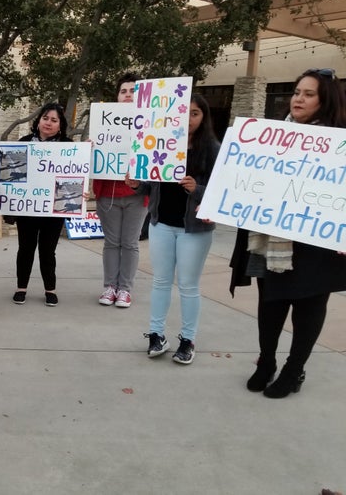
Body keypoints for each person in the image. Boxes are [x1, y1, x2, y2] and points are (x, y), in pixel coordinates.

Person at [229, 68, 346, 398]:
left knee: (308, 307)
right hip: (272, 238)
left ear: (325, 101)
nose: (298, 99)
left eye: (308, 94)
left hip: (317, 243)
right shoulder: (271, 136)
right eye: (296, 92)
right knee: (270, 303)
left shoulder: (341, 142)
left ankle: (294, 370)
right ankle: (265, 362)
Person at [125, 94, 219, 364]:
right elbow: (151, 184)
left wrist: (197, 189)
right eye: (184, 112)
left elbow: (224, 192)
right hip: (161, 224)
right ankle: (156, 334)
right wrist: (136, 185)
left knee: (188, 286)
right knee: (161, 282)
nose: (189, 119)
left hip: (194, 229)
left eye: (195, 113)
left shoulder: (212, 149)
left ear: (204, 117)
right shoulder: (160, 143)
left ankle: (188, 340)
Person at [93, 73, 148, 308]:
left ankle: (125, 289)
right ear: (117, 95)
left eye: (133, 91)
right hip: (108, 192)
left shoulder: (150, 123)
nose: (127, 95)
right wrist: (91, 148)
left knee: (130, 243)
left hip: (136, 195)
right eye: (123, 91)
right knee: (111, 242)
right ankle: (110, 287)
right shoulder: (104, 120)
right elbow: (95, 151)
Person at [11, 103, 72, 307]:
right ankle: (21, 288)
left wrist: (79, 194)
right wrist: (5, 196)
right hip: (27, 207)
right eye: (45, 118)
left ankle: (50, 289)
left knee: (48, 250)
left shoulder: (68, 146)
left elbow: (74, 176)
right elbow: (11, 176)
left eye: (54, 120)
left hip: (53, 209)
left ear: (60, 125)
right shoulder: (24, 143)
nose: (48, 123)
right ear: (38, 121)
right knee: (25, 248)